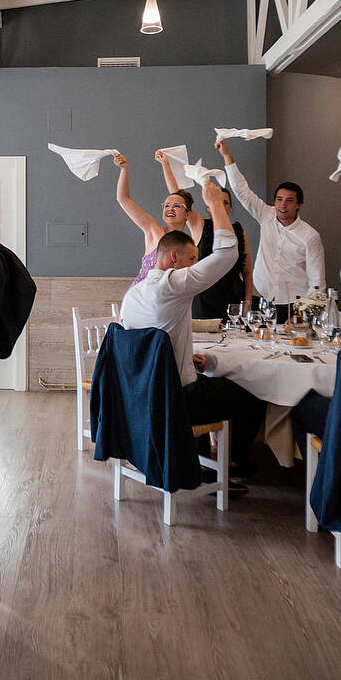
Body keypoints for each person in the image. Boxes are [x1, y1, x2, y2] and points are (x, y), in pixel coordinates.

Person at [119, 180, 264, 481]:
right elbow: (227, 255)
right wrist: (215, 204)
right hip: (175, 399)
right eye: (193, 260)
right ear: (174, 258)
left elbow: (152, 345)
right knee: (253, 392)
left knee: (203, 379)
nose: (195, 265)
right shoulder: (173, 285)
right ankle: (233, 467)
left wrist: (184, 359)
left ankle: (197, 461)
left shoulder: (133, 294)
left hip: (141, 395)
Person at [215, 137, 325, 314]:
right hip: (261, 299)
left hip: (293, 305)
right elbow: (242, 191)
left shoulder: (310, 236)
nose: (283, 205)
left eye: (289, 201)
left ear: (299, 204)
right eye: (279, 199)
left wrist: (309, 313)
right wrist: (226, 155)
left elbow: (317, 280)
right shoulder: (266, 215)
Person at [156, 152, 253, 318]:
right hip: (204, 297)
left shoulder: (237, 230)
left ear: (230, 207)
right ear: (209, 205)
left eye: (225, 202)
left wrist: (248, 302)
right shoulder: (199, 224)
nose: (221, 205)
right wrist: (166, 165)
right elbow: (178, 197)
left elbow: (247, 271)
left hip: (233, 297)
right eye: (217, 200)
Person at [113, 150, 204, 289]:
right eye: (166, 205)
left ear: (187, 215)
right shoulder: (153, 230)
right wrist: (124, 169)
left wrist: (165, 164)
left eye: (176, 206)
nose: (170, 209)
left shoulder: (189, 244)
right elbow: (123, 199)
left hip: (170, 298)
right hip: (141, 296)